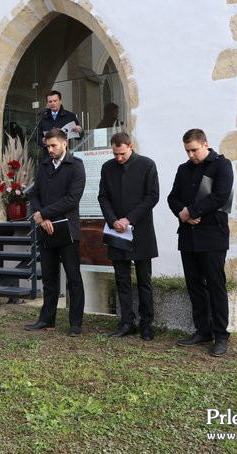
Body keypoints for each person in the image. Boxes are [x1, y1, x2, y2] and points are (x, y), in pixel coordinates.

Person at [167, 129, 233, 357]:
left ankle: (221, 334)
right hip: (188, 235)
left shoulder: (221, 165)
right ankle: (202, 330)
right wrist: (182, 213)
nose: (191, 155)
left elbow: (220, 196)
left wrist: (191, 210)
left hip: (213, 234)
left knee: (216, 285)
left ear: (206, 144)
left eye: (194, 150)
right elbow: (172, 197)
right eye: (187, 151)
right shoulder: (183, 169)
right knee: (194, 285)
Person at [25, 128, 87, 336]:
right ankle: (46, 319)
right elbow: (34, 194)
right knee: (49, 278)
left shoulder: (76, 166)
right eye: (47, 146)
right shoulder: (43, 167)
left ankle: (76, 323)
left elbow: (72, 198)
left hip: (67, 230)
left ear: (64, 143)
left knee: (73, 277)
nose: (50, 149)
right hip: (46, 229)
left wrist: (43, 213)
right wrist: (41, 217)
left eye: (54, 145)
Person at [98, 132, 159, 340]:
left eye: (122, 153)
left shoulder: (147, 165)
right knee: (121, 279)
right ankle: (126, 322)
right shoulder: (107, 168)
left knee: (144, 280)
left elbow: (152, 196)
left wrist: (129, 219)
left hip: (141, 231)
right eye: (115, 154)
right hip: (116, 230)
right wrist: (113, 219)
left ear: (130, 146)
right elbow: (103, 197)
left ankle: (146, 324)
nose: (118, 158)